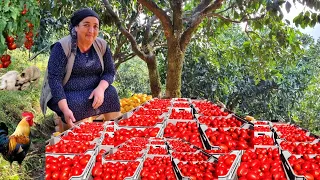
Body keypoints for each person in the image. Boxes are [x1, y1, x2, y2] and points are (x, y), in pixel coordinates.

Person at [47, 8, 121, 131]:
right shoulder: (62, 47)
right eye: (86, 25)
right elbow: (54, 81)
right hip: (67, 94)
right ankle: (76, 138)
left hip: (94, 90)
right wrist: (65, 109)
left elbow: (109, 72)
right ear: (76, 27)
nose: (91, 30)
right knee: (75, 104)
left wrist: (100, 89)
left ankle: (112, 134)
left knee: (111, 93)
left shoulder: (101, 45)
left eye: (95, 26)